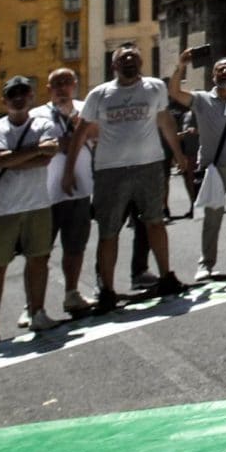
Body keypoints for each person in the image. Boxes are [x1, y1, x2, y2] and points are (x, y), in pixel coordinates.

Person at [69, 44, 190, 312]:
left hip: (149, 166)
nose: (129, 61)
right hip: (110, 171)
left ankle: (166, 276)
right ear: (114, 66)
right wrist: (69, 171)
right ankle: (107, 290)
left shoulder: (155, 87)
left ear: (141, 62)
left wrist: (179, 155)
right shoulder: (99, 94)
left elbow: (165, 121)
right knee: (108, 231)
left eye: (133, 57)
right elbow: (80, 132)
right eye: (123, 58)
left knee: (155, 223)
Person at [0, 77, 62, 345]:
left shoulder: (43, 124)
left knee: (38, 260)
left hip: (37, 203)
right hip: (3, 208)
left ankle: (38, 312)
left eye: (23, 92)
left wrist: (11, 159)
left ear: (31, 97)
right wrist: (34, 150)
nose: (18, 97)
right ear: (4, 100)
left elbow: (47, 157)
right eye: (12, 94)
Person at [172, 53, 226, 279]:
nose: (225, 72)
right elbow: (175, 92)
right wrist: (181, 66)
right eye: (220, 69)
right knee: (212, 218)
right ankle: (206, 264)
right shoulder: (200, 99)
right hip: (213, 168)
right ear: (213, 75)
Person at [35, 68, 96, 316]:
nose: (62, 88)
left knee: (75, 246)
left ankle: (72, 293)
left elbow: (99, 134)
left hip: (80, 191)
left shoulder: (85, 110)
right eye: (56, 83)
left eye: (67, 82)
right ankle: (33, 305)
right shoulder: (36, 115)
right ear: (48, 89)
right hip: (46, 195)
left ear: (75, 85)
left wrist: (77, 126)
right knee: (39, 252)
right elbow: (35, 146)